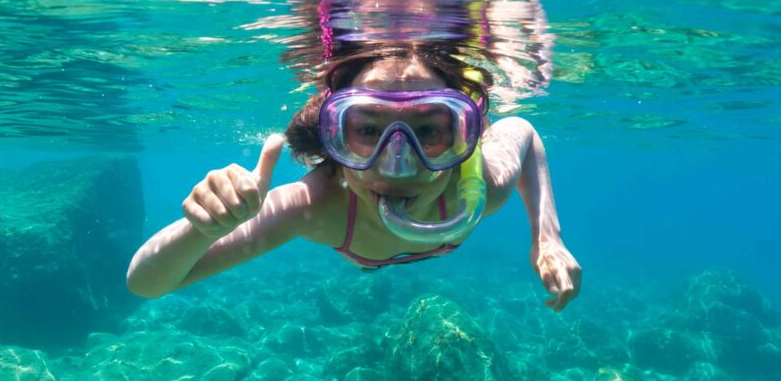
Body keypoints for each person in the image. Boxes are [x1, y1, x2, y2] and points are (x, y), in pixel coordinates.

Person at [126, 37, 581, 311]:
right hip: (358, 252)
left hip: (368, 245)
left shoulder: (478, 189)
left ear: (463, 137)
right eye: (367, 130)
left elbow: (522, 131)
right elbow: (146, 282)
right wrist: (201, 229)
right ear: (333, 140)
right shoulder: (313, 208)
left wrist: (548, 238)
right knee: (366, 268)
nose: (397, 163)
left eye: (428, 129)